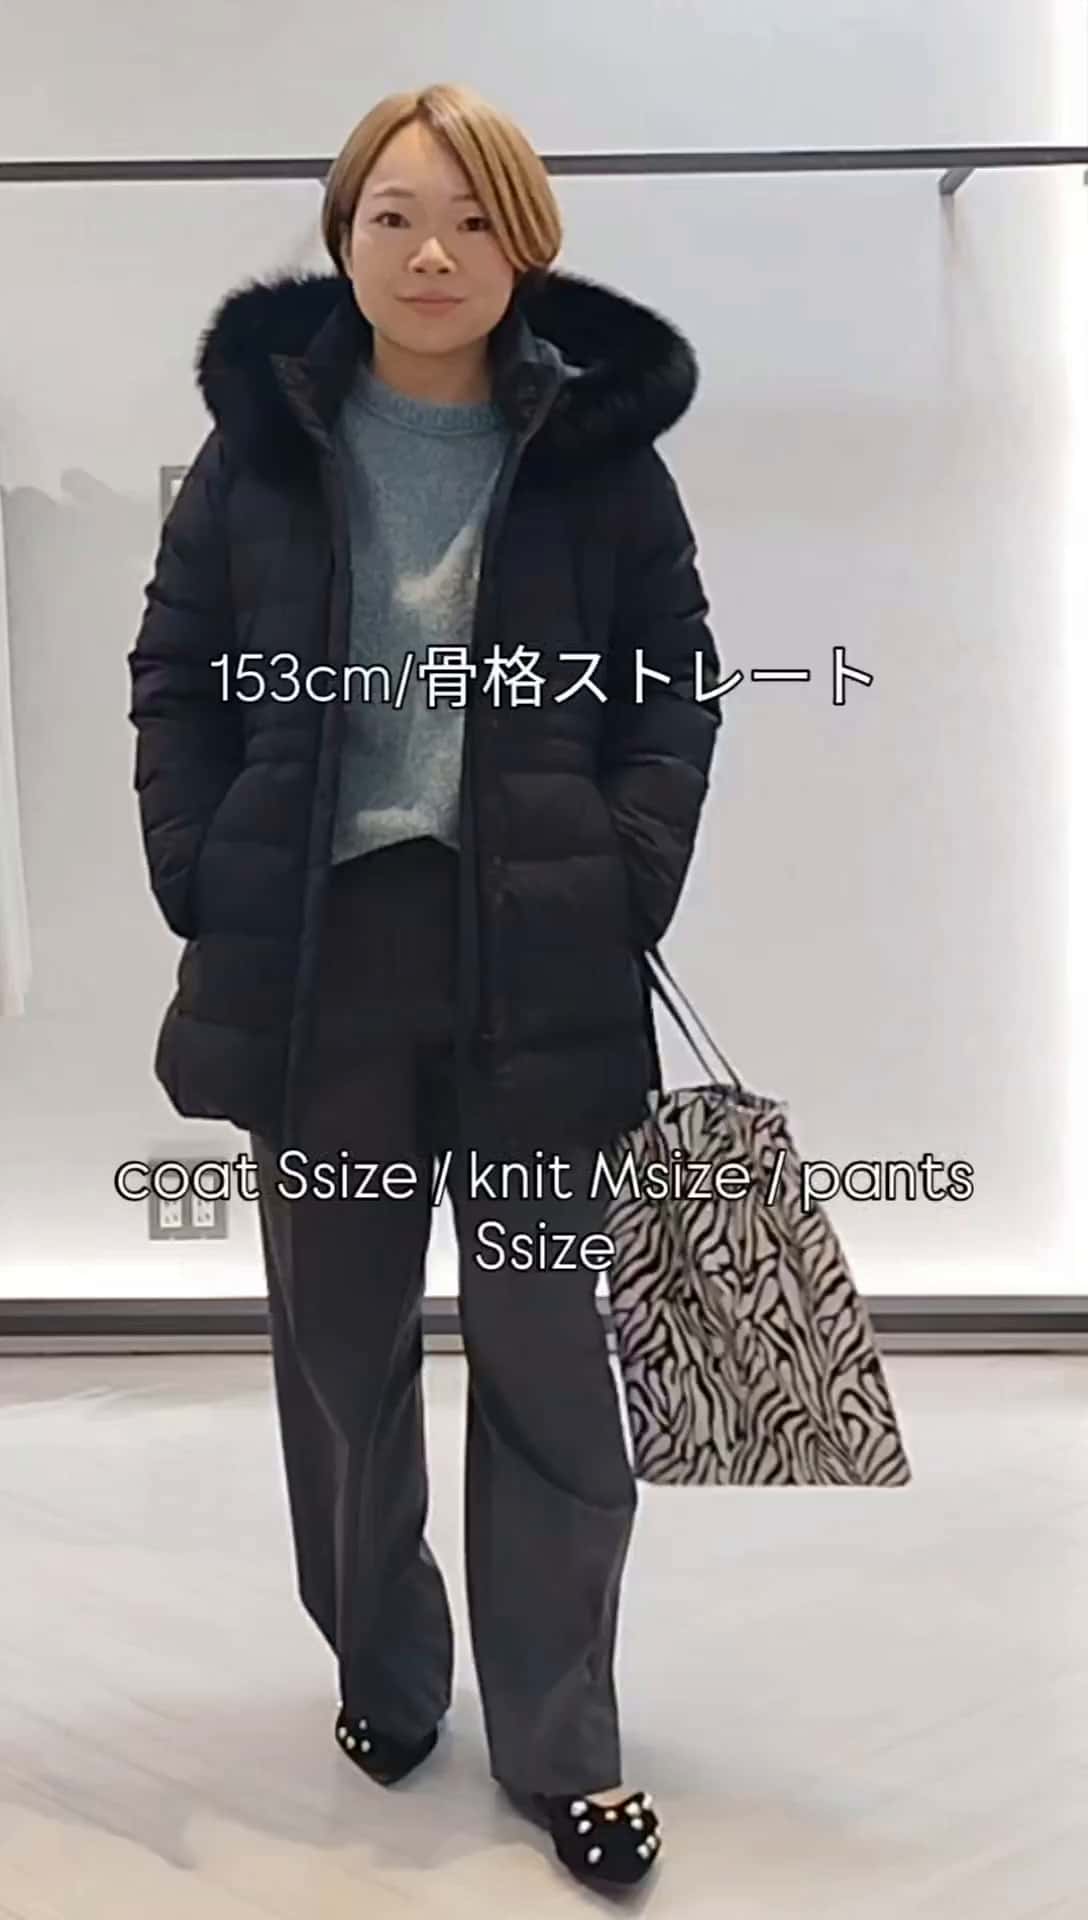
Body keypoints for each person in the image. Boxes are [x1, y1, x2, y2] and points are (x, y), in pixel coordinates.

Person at [127, 80, 721, 1890]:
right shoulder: (264, 449)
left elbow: (673, 685)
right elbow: (176, 670)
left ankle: (564, 1743)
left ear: (523, 242)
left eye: (470, 219)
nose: (432, 252)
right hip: (324, 963)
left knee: (546, 1356)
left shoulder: (600, 457)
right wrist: (200, 861)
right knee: (339, 1351)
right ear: (344, 236)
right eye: (393, 215)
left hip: (532, 953)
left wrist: (622, 869)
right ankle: (384, 1672)